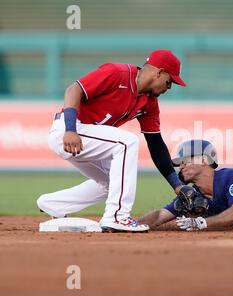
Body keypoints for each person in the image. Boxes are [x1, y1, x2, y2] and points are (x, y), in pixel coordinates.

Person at [37, 50, 196, 232]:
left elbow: (156, 144)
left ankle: (53, 204)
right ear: (159, 72)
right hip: (69, 131)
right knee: (127, 142)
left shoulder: (149, 103)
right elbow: (74, 90)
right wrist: (71, 129)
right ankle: (117, 216)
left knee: (111, 182)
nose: (169, 87)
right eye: (169, 81)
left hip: (89, 139)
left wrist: (177, 186)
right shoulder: (117, 73)